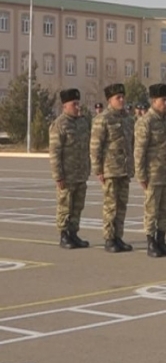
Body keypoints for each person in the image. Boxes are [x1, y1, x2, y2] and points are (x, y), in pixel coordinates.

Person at [134, 83, 166, 257]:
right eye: (163, 100)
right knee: (152, 209)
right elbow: (139, 151)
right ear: (154, 101)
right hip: (153, 174)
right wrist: (141, 175)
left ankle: (161, 240)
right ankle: (151, 242)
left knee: (165, 209)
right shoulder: (146, 122)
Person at [90, 83, 135, 253]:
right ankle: (109, 238)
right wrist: (98, 169)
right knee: (111, 206)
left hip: (124, 169)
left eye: (123, 97)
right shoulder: (103, 119)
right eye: (118, 98)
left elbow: (131, 143)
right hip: (110, 169)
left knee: (122, 205)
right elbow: (95, 146)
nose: (122, 100)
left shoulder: (127, 119)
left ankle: (118, 237)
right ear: (110, 100)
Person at [49, 88, 91, 249]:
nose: (77, 107)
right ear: (64, 106)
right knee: (65, 205)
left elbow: (86, 147)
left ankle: (74, 233)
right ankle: (64, 235)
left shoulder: (82, 122)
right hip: (67, 174)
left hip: (80, 173)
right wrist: (58, 175)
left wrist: (87, 169)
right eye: (74, 104)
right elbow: (55, 152)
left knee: (78, 205)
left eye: (78, 103)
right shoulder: (59, 125)